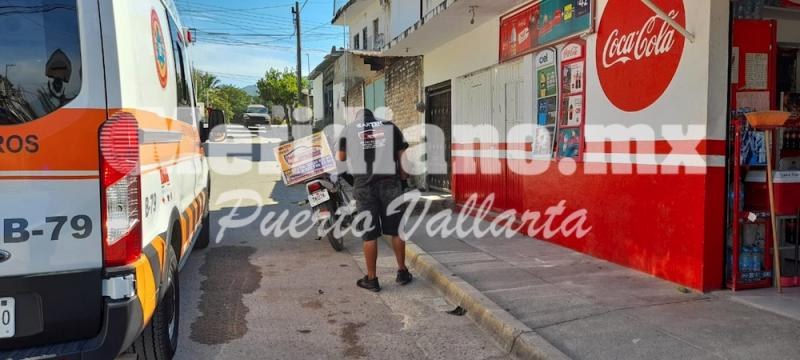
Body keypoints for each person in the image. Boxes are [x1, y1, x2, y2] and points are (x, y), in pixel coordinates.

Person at [337, 108, 412, 292]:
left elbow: (341, 158)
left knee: (369, 235)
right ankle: (402, 272)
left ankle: (372, 279)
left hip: (364, 187)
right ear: (372, 116)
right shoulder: (389, 126)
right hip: (390, 185)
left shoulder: (348, 130)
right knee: (396, 231)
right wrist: (403, 179)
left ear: (358, 118)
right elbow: (403, 159)